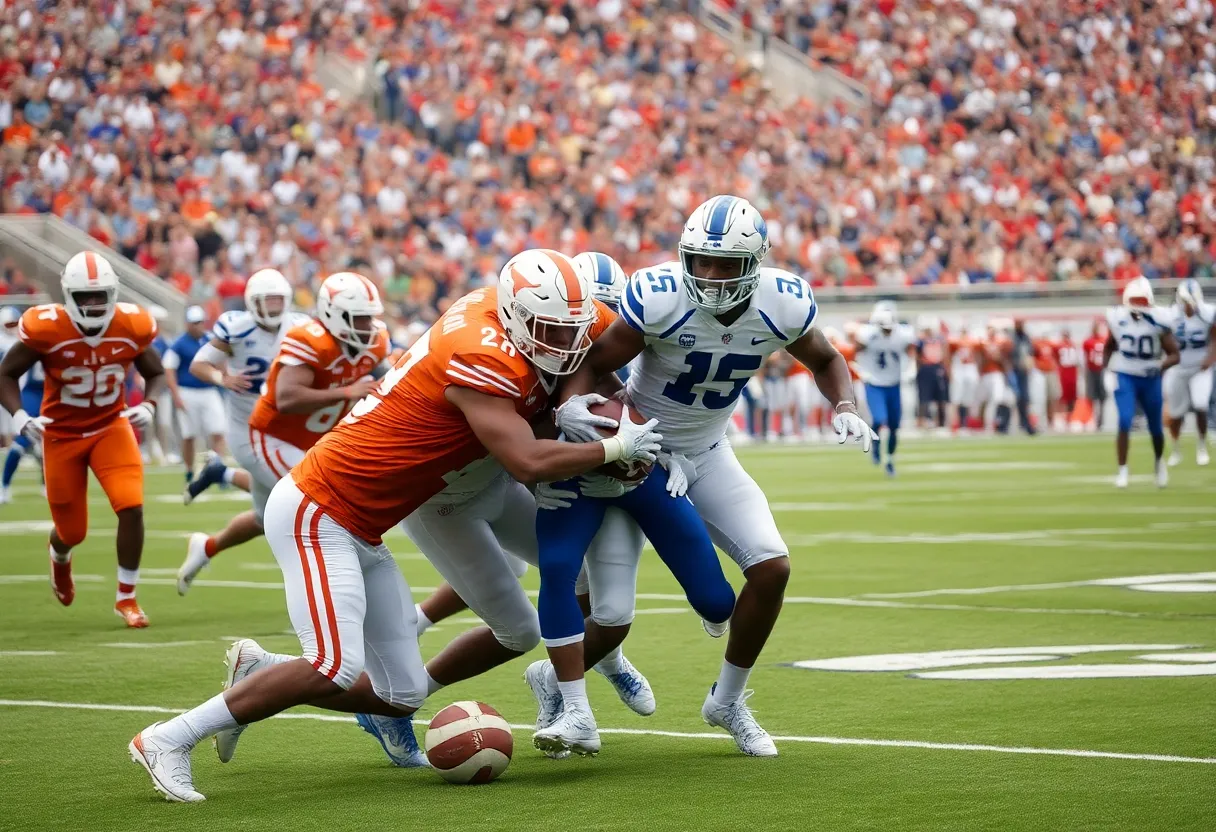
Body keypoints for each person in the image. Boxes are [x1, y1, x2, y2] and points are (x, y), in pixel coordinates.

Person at [128, 250, 659, 801]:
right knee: (333, 665)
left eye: (569, 328)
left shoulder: (540, 313)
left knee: (402, 692)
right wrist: (614, 444)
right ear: (515, 314)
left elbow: (600, 356)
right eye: (548, 329)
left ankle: (261, 675)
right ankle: (169, 738)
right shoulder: (480, 355)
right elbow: (526, 461)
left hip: (368, 524)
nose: (563, 343)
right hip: (319, 507)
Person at [556, 195, 875, 757]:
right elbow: (595, 362)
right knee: (605, 603)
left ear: (755, 263)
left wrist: (846, 406)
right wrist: (580, 411)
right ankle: (567, 694)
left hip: (706, 449)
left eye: (725, 264)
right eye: (700, 260)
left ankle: (727, 701)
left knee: (772, 567)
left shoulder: (783, 302)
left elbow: (826, 359)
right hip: (640, 451)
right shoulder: (659, 297)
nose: (709, 274)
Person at [176, 272, 383, 592]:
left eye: (278, 301)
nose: (273, 309)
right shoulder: (238, 326)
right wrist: (222, 378)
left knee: (263, 517)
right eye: (266, 301)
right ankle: (329, 584)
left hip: (289, 428)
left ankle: (207, 546)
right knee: (313, 498)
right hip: (253, 428)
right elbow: (201, 364)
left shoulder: (300, 326)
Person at [0, 251, 165, 627]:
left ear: (114, 292)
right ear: (67, 296)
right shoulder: (46, 328)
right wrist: (21, 415)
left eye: (100, 296)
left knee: (132, 505)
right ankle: (59, 556)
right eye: (84, 297)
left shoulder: (132, 324)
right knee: (73, 531)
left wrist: (151, 404)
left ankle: (127, 598)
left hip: (111, 426)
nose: (94, 305)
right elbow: (5, 374)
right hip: (61, 434)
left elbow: (153, 371)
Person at [1103, 277, 1180, 489]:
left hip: (1150, 377)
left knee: (1155, 427)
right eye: (1134, 300)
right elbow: (1109, 346)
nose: (1138, 305)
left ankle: (1158, 462)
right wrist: (1106, 371)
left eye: (1141, 300)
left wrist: (1160, 366)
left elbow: (1175, 354)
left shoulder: (1158, 320)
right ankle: (1122, 471)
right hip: (1126, 374)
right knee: (1125, 420)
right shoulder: (1118, 318)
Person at [162, 306, 227, 488]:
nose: (198, 326)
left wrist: (224, 377)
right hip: (188, 391)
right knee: (189, 435)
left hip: (209, 390)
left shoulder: (208, 339)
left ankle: (218, 470)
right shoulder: (179, 343)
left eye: (200, 322)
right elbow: (169, 369)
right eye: (195, 323)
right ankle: (190, 470)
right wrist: (176, 395)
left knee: (218, 431)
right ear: (188, 324)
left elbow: (221, 360)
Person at [854, 301, 916, 475]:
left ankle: (889, 459)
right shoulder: (868, 335)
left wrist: (911, 368)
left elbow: (912, 351)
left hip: (894, 384)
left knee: (895, 425)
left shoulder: (902, 334)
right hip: (874, 383)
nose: (887, 331)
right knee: (880, 419)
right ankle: (875, 445)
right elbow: (855, 350)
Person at [1164, 279, 1215, 466]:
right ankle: (1176, 448)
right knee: (1176, 414)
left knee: (1201, 405)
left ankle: (1201, 446)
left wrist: (1210, 359)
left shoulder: (1208, 313)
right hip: (1178, 367)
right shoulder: (1170, 316)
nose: (1189, 306)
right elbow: (1162, 338)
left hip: (1200, 366)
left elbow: (1215, 338)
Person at [914, 316, 950, 431]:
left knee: (941, 398)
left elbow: (945, 355)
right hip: (926, 368)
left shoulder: (940, 339)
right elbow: (917, 357)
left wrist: (947, 370)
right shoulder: (920, 340)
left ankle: (941, 423)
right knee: (924, 398)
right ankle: (921, 422)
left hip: (937, 368)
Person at [1083, 321, 1108, 430]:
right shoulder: (1088, 342)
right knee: (1091, 396)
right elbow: (1084, 357)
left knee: (1102, 396)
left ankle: (1101, 420)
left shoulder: (1105, 340)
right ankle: (1092, 419)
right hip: (1091, 370)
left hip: (1102, 370)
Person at [1055, 330, 1082, 426]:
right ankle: (1062, 418)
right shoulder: (1059, 346)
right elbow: (1056, 358)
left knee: (1072, 396)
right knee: (1062, 396)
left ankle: (1070, 417)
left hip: (1072, 372)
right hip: (1063, 372)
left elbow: (1078, 361)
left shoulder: (1073, 346)